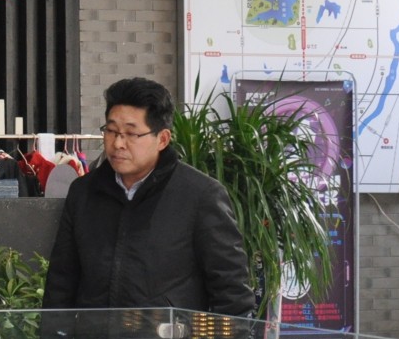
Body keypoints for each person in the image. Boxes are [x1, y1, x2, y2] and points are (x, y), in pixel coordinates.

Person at [43, 77, 255, 315]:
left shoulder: (201, 195)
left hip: (171, 338)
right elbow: (61, 283)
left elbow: (232, 294)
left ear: (162, 139)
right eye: (111, 131)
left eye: (131, 134)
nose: (118, 143)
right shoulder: (83, 192)